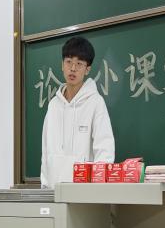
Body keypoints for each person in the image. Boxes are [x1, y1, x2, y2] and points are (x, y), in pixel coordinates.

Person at [40, 36, 115, 188]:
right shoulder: (53, 106)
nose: (73, 68)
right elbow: (46, 152)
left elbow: (105, 151)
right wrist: (45, 187)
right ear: (62, 65)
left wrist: (96, 190)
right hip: (54, 192)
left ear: (87, 69)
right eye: (68, 62)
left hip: (84, 193)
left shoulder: (95, 103)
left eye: (79, 63)